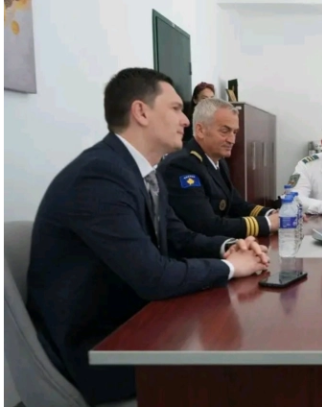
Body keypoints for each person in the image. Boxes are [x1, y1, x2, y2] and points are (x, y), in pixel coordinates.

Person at [26, 68, 270, 406]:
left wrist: (230, 246)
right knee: (242, 366)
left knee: (239, 344)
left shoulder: (141, 172)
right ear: (141, 112)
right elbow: (153, 276)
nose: (185, 121)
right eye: (176, 109)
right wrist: (230, 268)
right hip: (102, 349)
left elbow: (179, 236)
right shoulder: (99, 177)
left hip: (137, 323)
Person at [158, 97, 279, 238]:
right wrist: (267, 223)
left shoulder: (217, 160)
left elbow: (236, 204)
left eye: (234, 132)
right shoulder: (182, 165)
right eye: (224, 131)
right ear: (201, 130)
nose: (232, 140)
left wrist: (272, 214)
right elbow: (207, 226)